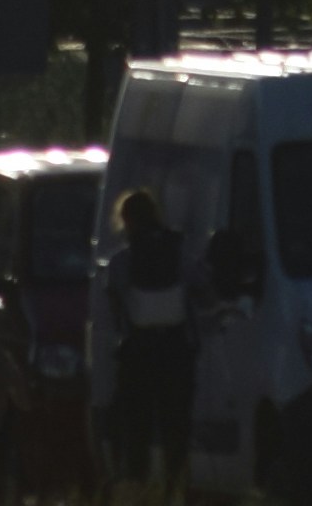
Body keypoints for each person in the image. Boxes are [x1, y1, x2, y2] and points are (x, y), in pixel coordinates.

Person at [103, 187, 193, 493]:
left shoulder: (121, 261)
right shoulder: (179, 250)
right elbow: (196, 291)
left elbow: (116, 308)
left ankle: (136, 484)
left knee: (135, 424)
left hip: (138, 351)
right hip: (176, 348)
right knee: (175, 423)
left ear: (126, 220)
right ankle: (174, 484)